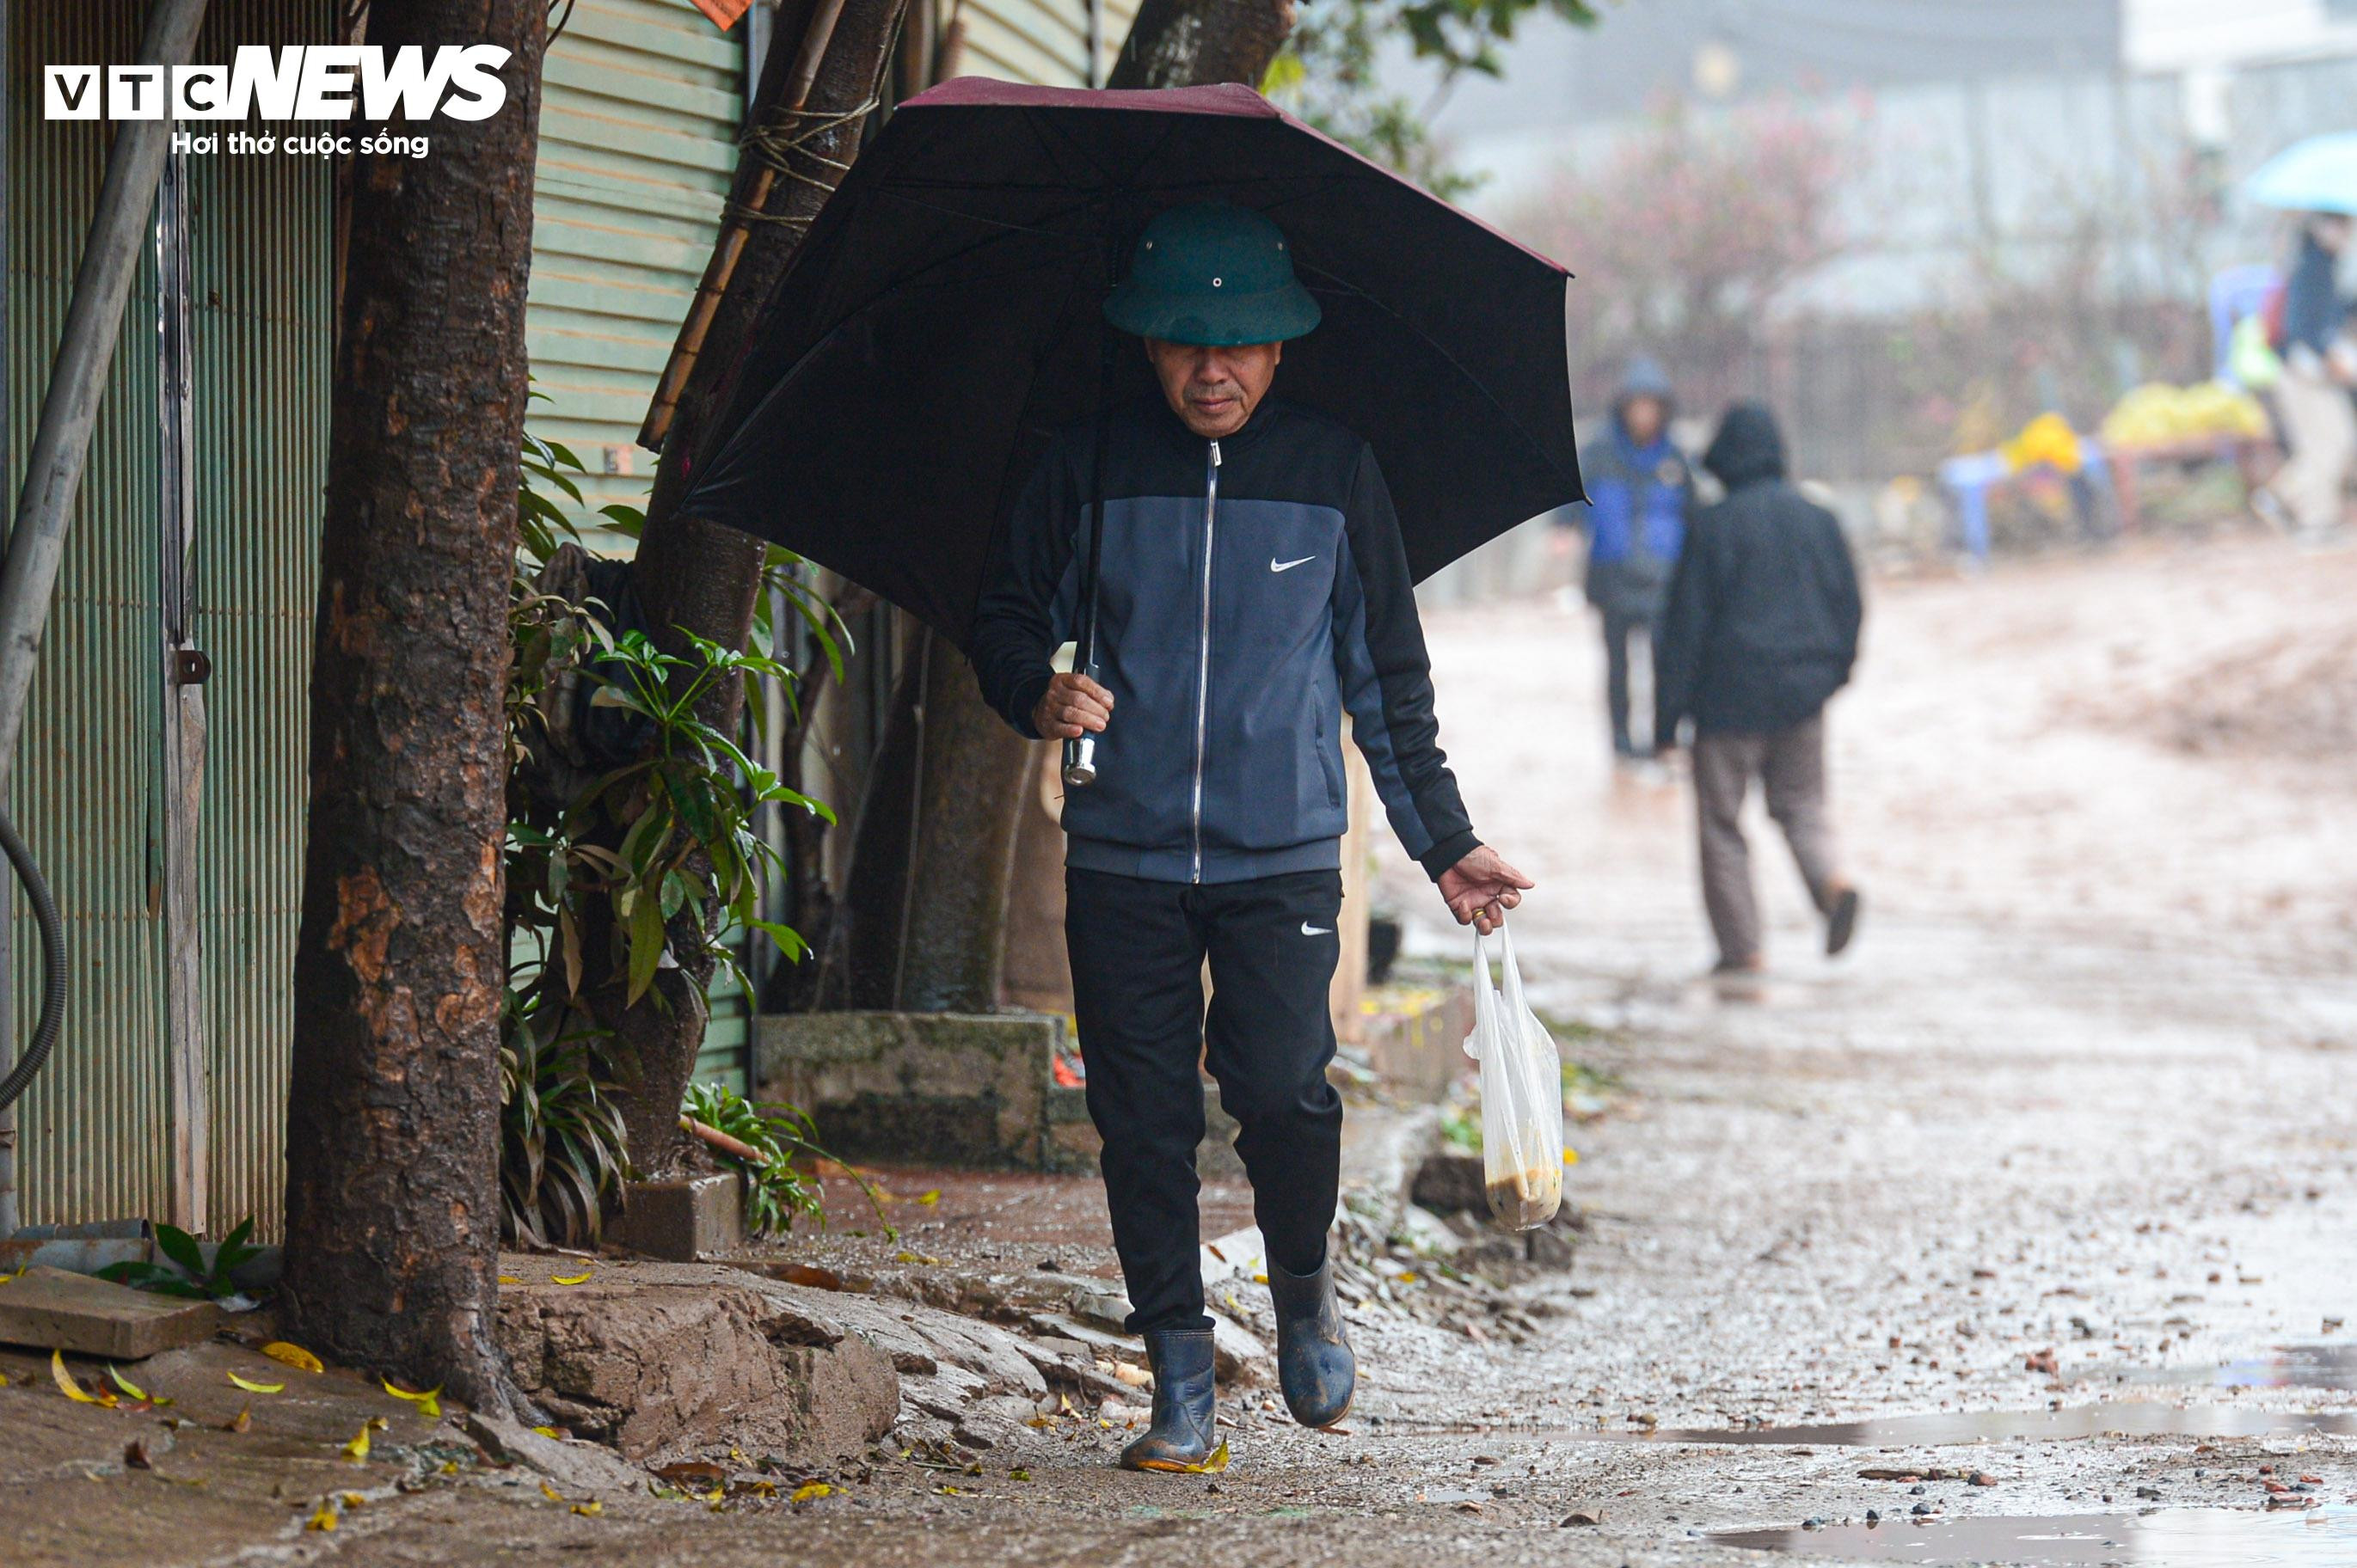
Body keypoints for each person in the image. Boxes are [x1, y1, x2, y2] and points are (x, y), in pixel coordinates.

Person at [968, 203, 1532, 1472]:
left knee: (1282, 1090)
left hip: (1282, 855)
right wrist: (1035, 690)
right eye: (1181, 344)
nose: (1208, 370)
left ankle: (1304, 1300)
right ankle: (1178, 1372)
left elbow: (1387, 684)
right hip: (1123, 850)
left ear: (1282, 352)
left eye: (1237, 347)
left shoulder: (1335, 476)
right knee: (1142, 1118)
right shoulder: (1089, 468)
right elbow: (1005, 619)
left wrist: (1447, 847)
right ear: (1146, 345)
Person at [1654, 403, 1863, 977]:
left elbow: (1682, 628)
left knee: (1722, 827)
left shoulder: (1712, 525)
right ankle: (1830, 882)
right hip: (1802, 697)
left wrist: (1665, 720)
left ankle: (1742, 950)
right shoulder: (1817, 519)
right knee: (1802, 807)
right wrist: (1831, 676)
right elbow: (1847, 606)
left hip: (1724, 707)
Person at [1564, 357, 1693, 759]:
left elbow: (1694, 516)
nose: (1644, 414)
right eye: (1636, 405)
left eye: (1651, 405)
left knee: (1664, 664)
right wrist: (1564, 531)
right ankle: (1621, 742)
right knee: (1618, 668)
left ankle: (1661, 738)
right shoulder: (1597, 455)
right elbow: (1571, 505)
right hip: (1612, 577)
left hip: (1663, 580)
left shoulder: (1677, 459)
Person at [2261, 213, 2354, 536]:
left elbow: (2332, 313)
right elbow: (2301, 329)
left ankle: (2279, 497)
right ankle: (2316, 523)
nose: (2347, 231)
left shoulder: (2325, 267)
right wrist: (2330, 360)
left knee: (2334, 442)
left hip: (2309, 372)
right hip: (2303, 373)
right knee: (2329, 445)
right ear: (2323, 228)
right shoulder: (2312, 268)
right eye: (2342, 224)